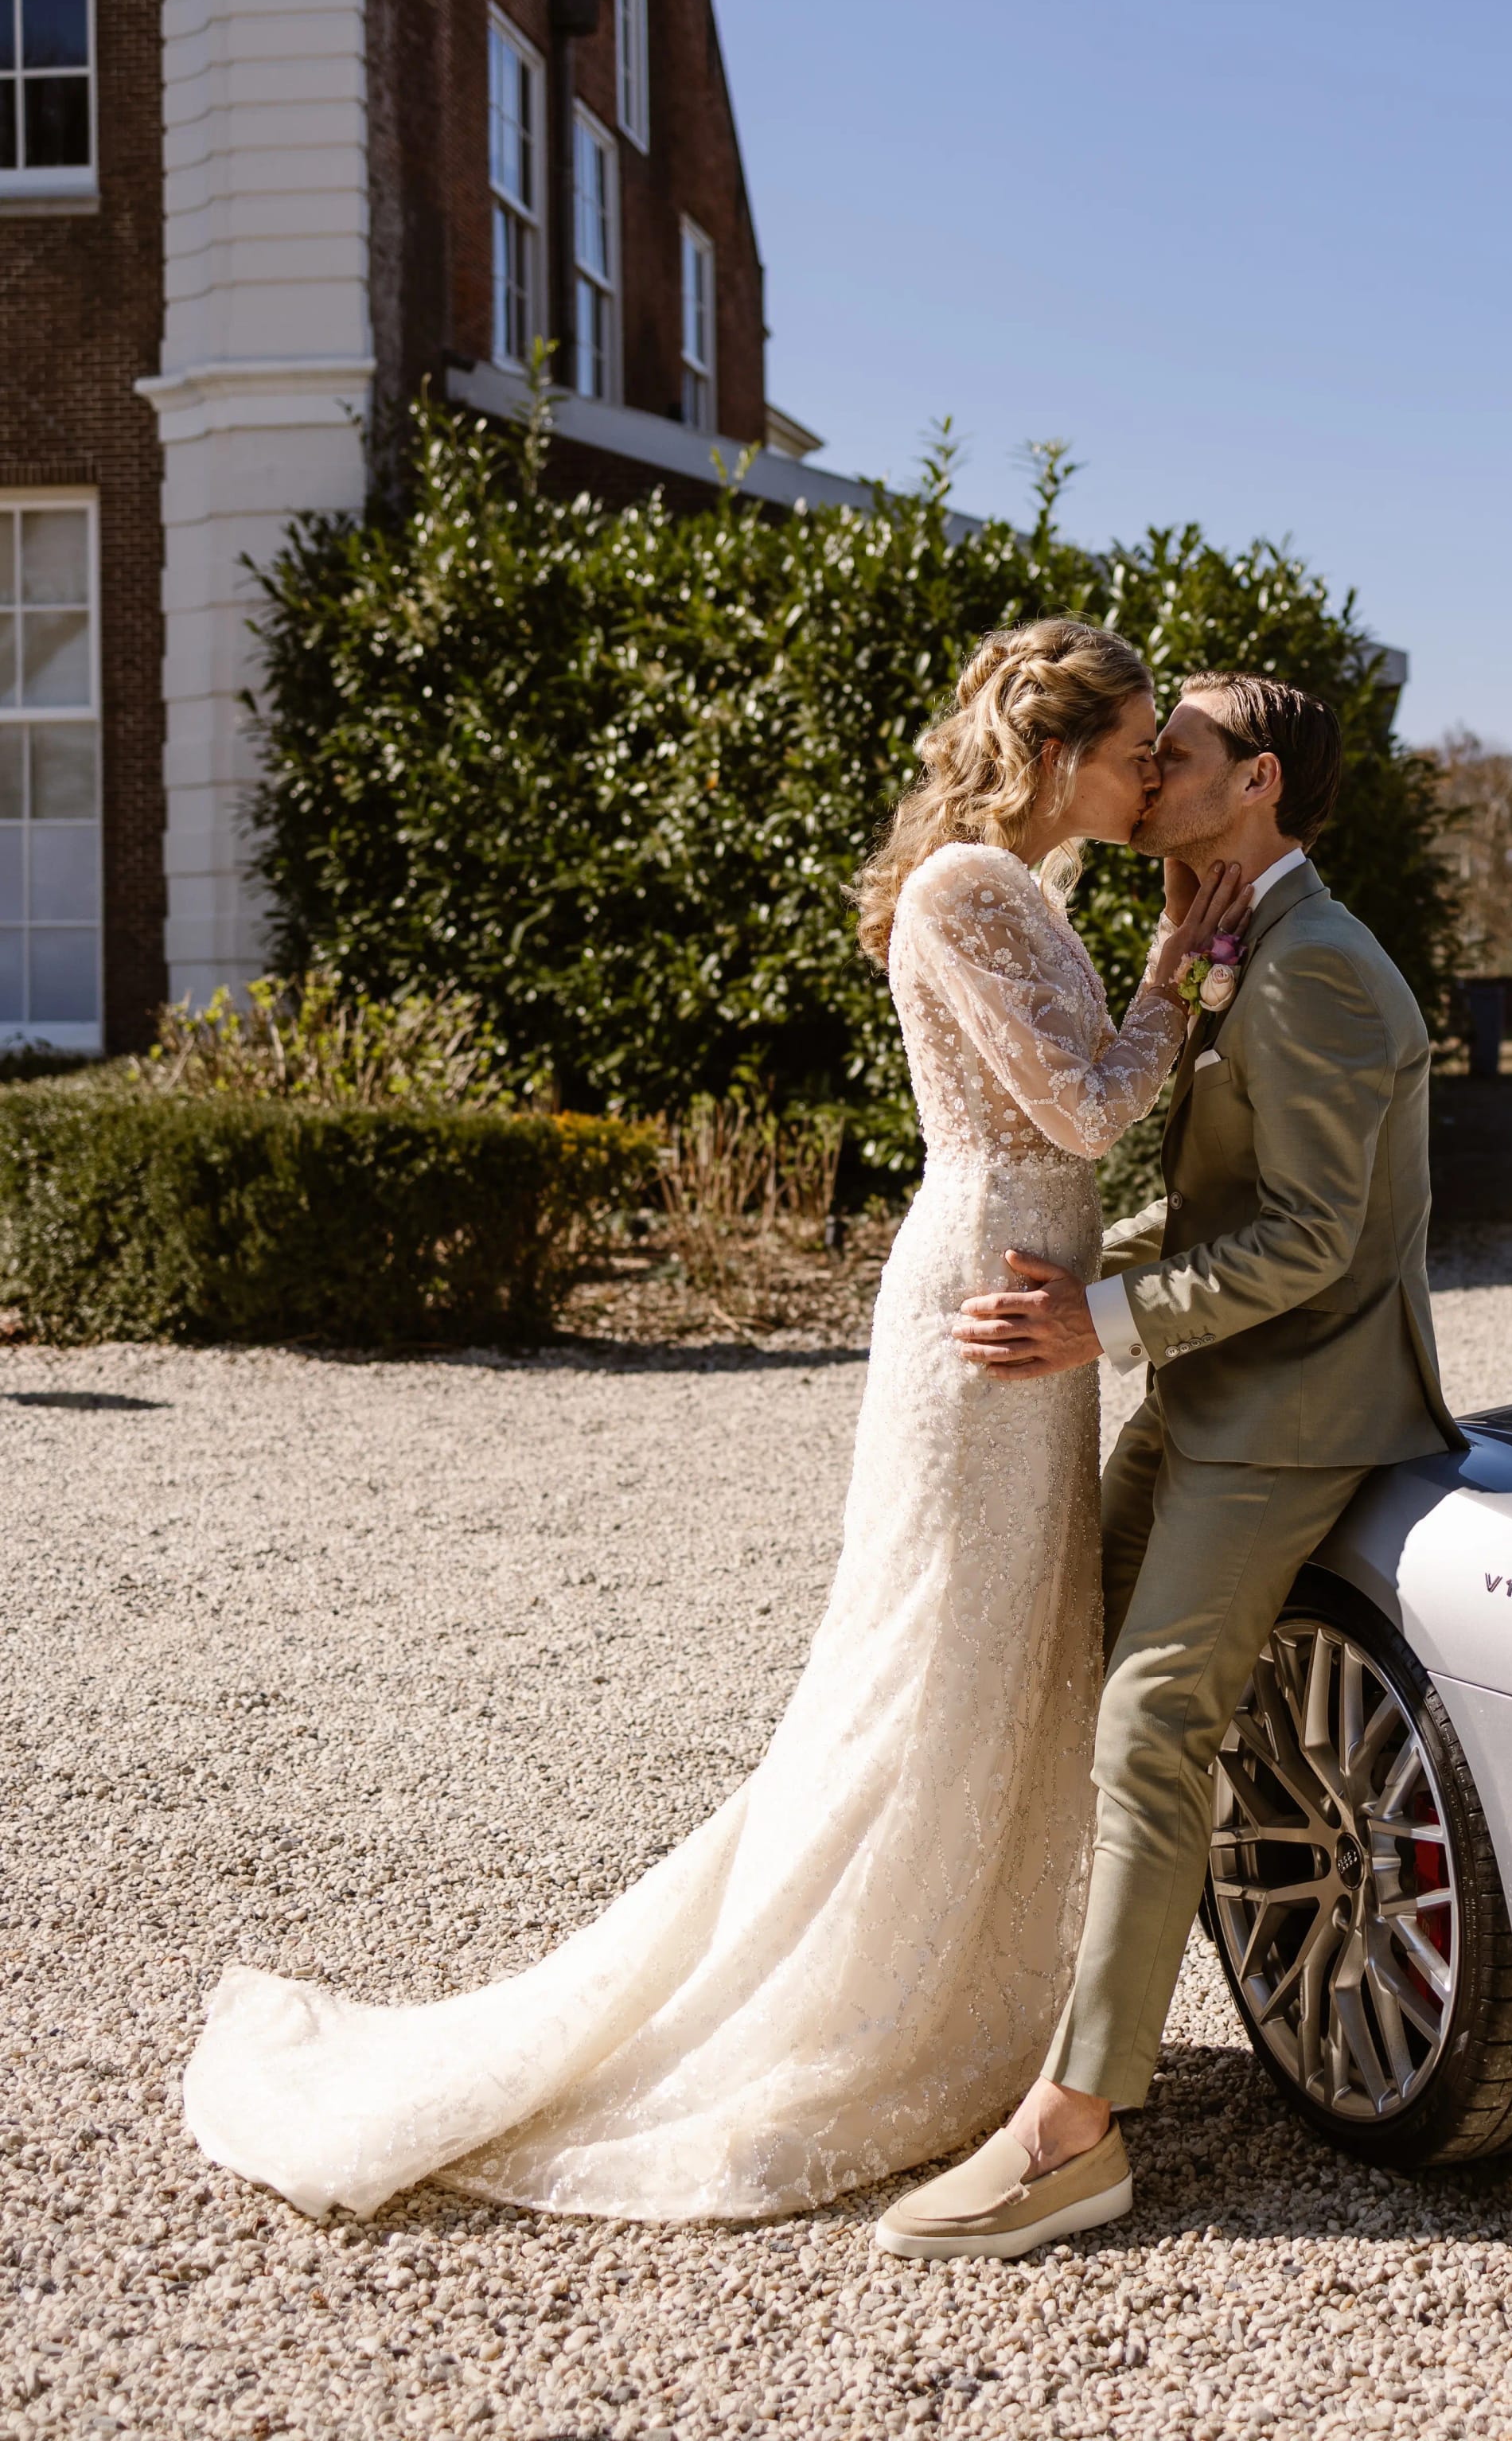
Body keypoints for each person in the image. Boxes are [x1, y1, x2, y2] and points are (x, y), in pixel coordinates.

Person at [181, 618, 1249, 2225]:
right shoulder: (968, 888)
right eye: (1132, 750)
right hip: (981, 1309)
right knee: (932, 1653)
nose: (1151, 775)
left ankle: (948, 2001)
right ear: (1053, 755)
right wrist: (1176, 968)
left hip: (1037, 1295)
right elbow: (1088, 1110)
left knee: (1009, 1651)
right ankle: (838, 2013)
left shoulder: (1031, 888)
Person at [875, 671, 1459, 2260]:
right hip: (1208, 1391)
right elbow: (1217, 1208)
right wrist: (1072, 1283)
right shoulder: (1237, 938)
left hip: (1297, 1410)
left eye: (1175, 755)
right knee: (1065, 1649)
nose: (1147, 779)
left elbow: (1314, 1237)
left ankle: (1074, 2133)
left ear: (1253, 782)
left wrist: (1098, 1321)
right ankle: (1090, 2005)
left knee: (1146, 1721)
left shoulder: (1319, 964)